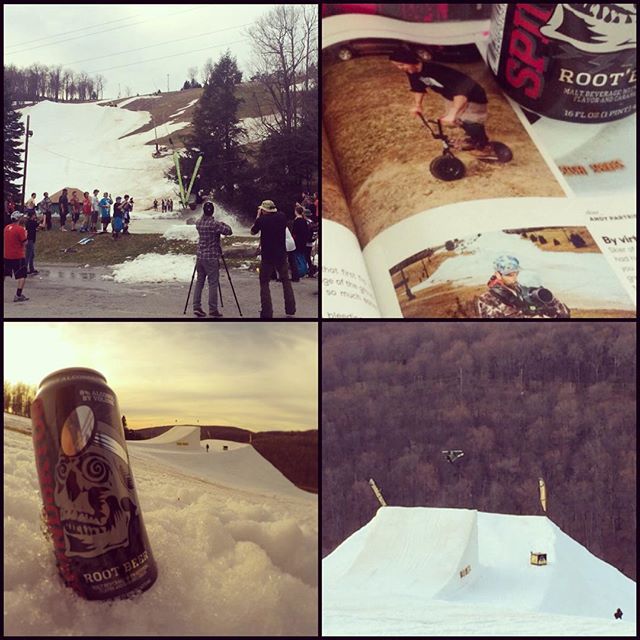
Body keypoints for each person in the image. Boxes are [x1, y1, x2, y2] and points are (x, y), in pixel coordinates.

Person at [389, 49, 497, 159]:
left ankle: (486, 148)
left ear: (410, 60)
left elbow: (462, 94)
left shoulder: (436, 70)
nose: (400, 68)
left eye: (401, 65)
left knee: (471, 121)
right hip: (451, 95)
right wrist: (418, 105)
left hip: (472, 95)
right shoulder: (413, 72)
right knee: (459, 120)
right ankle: (473, 139)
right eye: (397, 66)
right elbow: (418, 88)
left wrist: (453, 112)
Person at [475, 255, 570, 318]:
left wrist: (550, 307)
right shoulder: (487, 299)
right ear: (498, 275)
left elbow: (563, 311)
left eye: (516, 274)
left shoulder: (527, 287)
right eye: (509, 275)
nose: (515, 278)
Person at [251, 199, 296, 318]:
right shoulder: (282, 216)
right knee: (285, 280)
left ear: (264, 210)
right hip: (281, 254)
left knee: (264, 282)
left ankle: (267, 312)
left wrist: (258, 216)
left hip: (267, 255)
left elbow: (252, 231)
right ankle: (290, 309)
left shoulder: (261, 220)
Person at [193, 200, 232, 318]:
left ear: (203, 211)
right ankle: (213, 309)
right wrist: (223, 223)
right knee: (213, 283)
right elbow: (229, 231)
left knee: (199, 282)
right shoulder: (215, 224)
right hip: (211, 257)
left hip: (200, 256)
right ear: (213, 211)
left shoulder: (198, 223)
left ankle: (196, 306)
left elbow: (202, 220)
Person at [4, 216, 29, 302]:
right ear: (19, 219)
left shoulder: (6, 227)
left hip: (6, 255)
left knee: (4, 274)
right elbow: (25, 242)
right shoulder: (20, 229)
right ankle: (18, 295)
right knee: (22, 276)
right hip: (17, 256)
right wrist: (26, 234)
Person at [25, 210, 43, 275]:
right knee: (28, 255)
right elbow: (43, 225)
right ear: (32, 215)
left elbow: (33, 229)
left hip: (31, 240)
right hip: (30, 240)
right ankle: (25, 268)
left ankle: (31, 268)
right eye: (34, 215)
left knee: (31, 255)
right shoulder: (32, 222)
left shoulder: (29, 222)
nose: (35, 216)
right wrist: (44, 218)